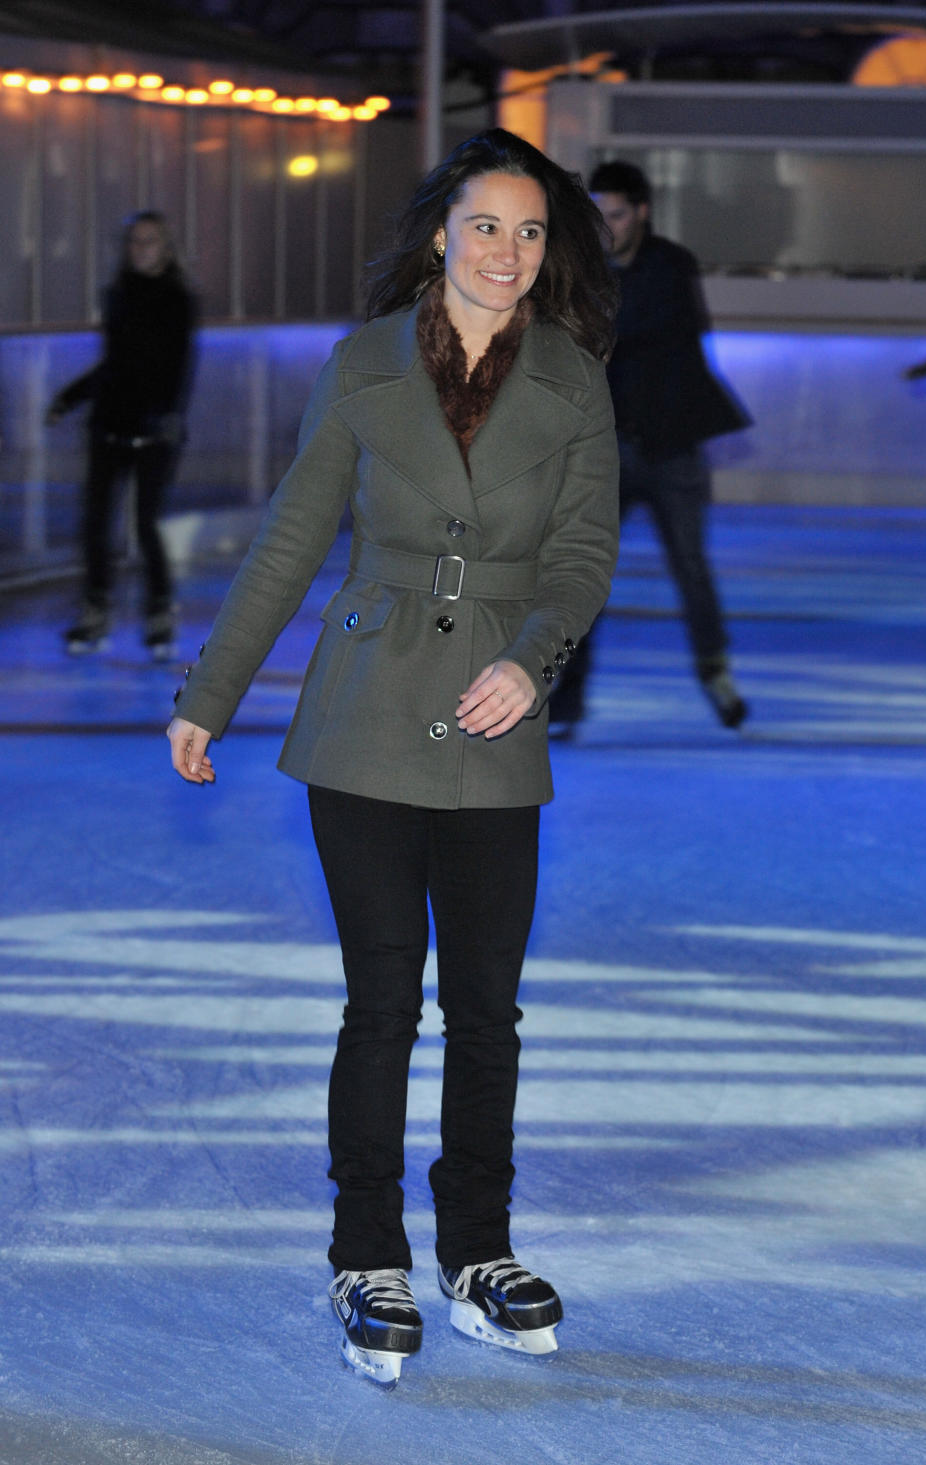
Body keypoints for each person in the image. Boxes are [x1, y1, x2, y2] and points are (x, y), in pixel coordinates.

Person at [167, 128, 620, 1387]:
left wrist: (532, 660)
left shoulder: (576, 381)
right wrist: (212, 692)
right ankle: (365, 1251)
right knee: (383, 1002)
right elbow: (290, 540)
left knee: (487, 1010)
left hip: (495, 717)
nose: (508, 253)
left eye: (532, 233)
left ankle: (479, 1249)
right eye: (486, 226)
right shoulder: (364, 366)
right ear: (440, 233)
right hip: (365, 714)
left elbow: (581, 560)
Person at [550, 159, 751, 731]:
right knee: (585, 574)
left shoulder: (668, 266)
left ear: (640, 212)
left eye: (616, 214)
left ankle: (716, 674)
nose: (607, 227)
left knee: (690, 565)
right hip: (608, 451)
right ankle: (569, 696)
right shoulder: (584, 271)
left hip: (670, 449)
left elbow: (634, 332)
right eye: (598, 216)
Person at [48, 210, 197, 659]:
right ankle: (94, 613)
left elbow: (175, 368)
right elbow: (116, 365)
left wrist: (165, 417)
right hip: (110, 426)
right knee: (95, 525)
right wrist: (72, 396)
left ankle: (158, 616)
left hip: (153, 431)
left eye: (149, 241)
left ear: (165, 248)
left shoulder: (176, 300)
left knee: (145, 526)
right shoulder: (118, 295)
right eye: (134, 241)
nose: (140, 249)